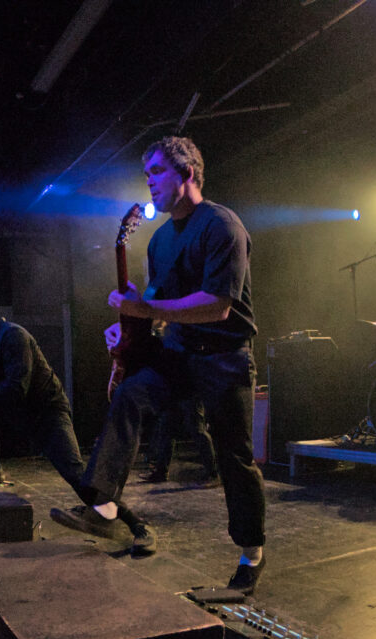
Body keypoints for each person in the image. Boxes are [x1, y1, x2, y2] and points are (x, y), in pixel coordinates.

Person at [52, 136, 267, 593]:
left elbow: (217, 306)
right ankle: (104, 506)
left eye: (156, 172)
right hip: (180, 353)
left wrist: (147, 310)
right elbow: (153, 304)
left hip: (225, 357)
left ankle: (251, 553)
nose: (148, 182)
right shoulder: (160, 240)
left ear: (187, 172)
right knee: (131, 393)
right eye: (146, 174)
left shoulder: (222, 225)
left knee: (234, 457)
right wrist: (128, 325)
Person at [0, 293, 152, 542]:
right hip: (14, 414)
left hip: (46, 414)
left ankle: (134, 523)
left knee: (75, 473)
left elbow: (16, 387)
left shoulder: (12, 336)